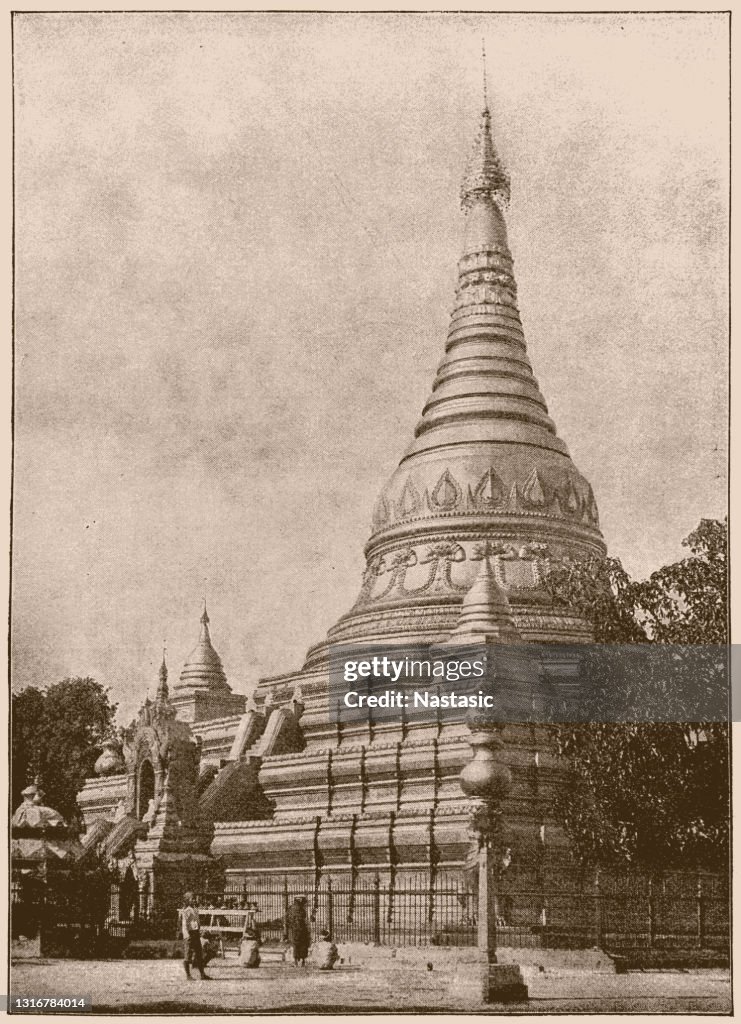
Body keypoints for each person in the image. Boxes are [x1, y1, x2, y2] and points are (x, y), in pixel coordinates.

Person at [181, 892, 210, 980]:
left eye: (195, 898)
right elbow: (185, 924)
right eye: (192, 899)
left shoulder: (195, 909)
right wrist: (188, 935)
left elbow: (196, 922)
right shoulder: (187, 910)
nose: (194, 900)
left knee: (199, 954)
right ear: (187, 900)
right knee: (188, 955)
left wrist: (199, 931)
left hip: (196, 933)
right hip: (189, 934)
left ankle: (202, 974)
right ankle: (188, 975)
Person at [287, 896, 310, 967]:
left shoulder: (291, 908)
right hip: (302, 929)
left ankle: (296, 962)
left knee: (296, 945)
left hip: (295, 929)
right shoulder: (302, 909)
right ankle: (302, 961)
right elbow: (304, 918)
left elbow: (288, 919)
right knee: (303, 945)